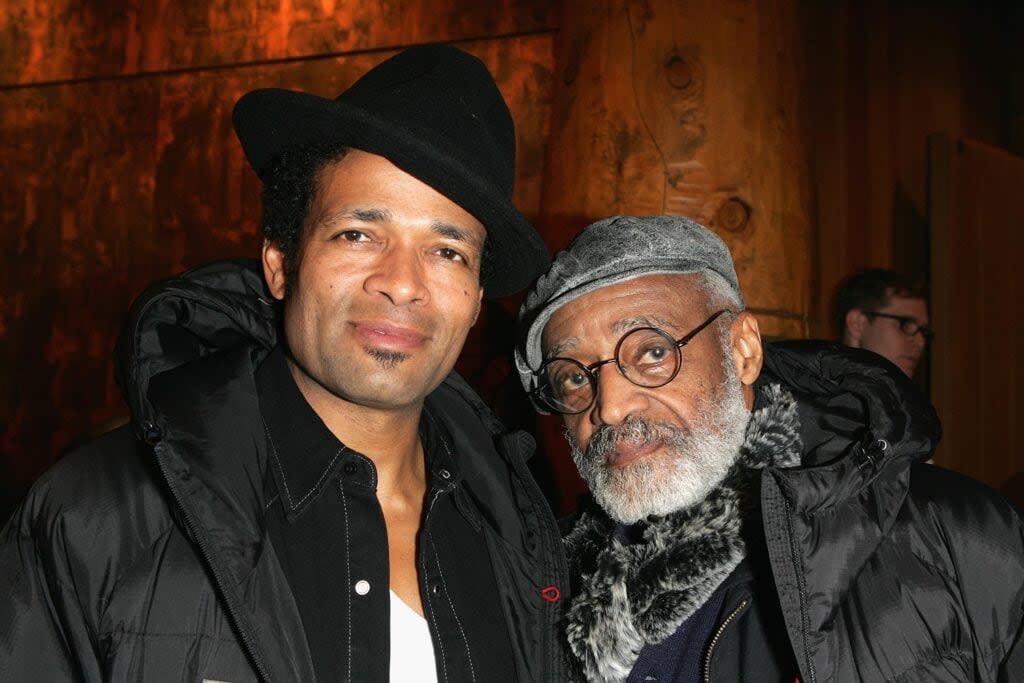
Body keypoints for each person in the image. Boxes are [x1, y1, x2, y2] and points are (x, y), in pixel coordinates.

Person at [0, 45, 569, 682]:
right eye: (358, 233)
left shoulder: (524, 543)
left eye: (447, 251)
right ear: (280, 264)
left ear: (475, 303)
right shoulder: (100, 517)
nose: (402, 283)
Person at [515, 215, 1024, 682]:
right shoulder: (538, 579)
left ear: (743, 351)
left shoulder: (953, 536)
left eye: (651, 351)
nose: (609, 406)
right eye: (574, 377)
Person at [834, 268, 932, 377]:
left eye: (923, 331)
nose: (921, 342)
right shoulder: (821, 390)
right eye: (905, 324)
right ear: (857, 324)